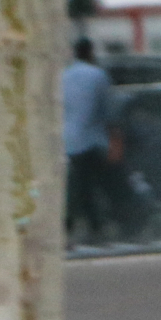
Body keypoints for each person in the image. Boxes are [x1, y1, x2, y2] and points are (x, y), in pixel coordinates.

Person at [63, 39, 117, 248]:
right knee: (89, 186)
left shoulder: (64, 75)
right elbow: (108, 111)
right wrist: (114, 140)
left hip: (67, 140)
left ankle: (87, 226)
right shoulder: (98, 75)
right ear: (91, 52)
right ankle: (95, 226)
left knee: (79, 186)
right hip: (90, 141)